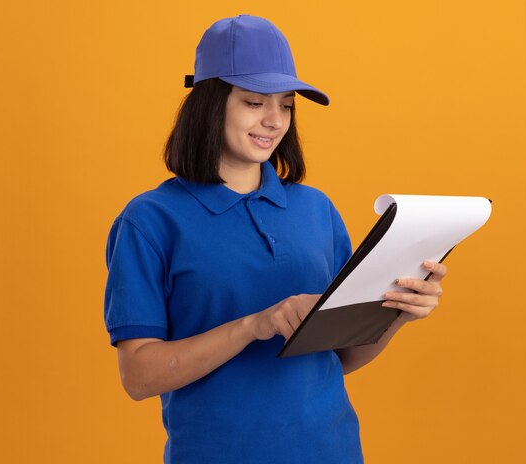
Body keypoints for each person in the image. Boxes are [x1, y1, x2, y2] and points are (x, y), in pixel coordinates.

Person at [104, 14, 447, 464]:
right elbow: (139, 377)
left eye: (285, 105)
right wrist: (255, 325)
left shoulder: (317, 210)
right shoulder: (150, 220)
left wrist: (397, 313)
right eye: (253, 102)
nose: (273, 121)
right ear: (210, 105)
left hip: (334, 451)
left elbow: (339, 357)